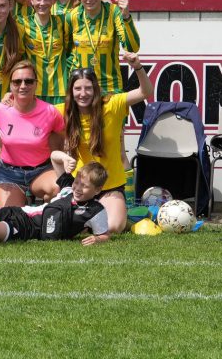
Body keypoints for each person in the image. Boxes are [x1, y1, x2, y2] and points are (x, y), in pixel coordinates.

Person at [57, 53, 152, 233]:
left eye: (88, 88)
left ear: (96, 89)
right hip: (80, 187)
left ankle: (115, 213)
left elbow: (145, 92)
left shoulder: (112, 105)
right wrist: (10, 98)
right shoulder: (63, 111)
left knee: (113, 227)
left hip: (110, 186)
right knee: (67, 224)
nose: (83, 94)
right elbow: (33, 111)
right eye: (77, 89)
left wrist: (138, 67)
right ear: (71, 91)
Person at [0, 59, 65, 207]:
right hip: (9, 173)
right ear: (10, 85)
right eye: (17, 82)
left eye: (28, 81)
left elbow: (61, 136)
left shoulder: (50, 112)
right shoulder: (0, 109)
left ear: (36, 84)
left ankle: (45, 208)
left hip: (41, 171)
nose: (23, 86)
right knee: (11, 216)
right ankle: (26, 201)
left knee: (58, 189)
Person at [0, 162, 111, 245]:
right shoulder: (68, 189)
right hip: (17, 211)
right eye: (77, 182)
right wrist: (65, 159)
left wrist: (98, 240)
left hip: (25, 228)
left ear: (97, 190)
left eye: (85, 186)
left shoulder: (95, 210)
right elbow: (54, 157)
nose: (78, 188)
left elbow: (105, 234)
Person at [66, 0, 140, 95]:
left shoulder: (114, 12)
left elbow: (132, 48)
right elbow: (66, 53)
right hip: (81, 89)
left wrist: (126, 17)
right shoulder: (71, 16)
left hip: (111, 87)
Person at [14, 0, 72, 104]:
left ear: (54, 0)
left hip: (60, 89)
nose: (42, 3)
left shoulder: (63, 21)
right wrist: (19, 2)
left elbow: (69, 50)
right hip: (33, 89)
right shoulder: (23, 22)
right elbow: (6, 18)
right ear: (32, 0)